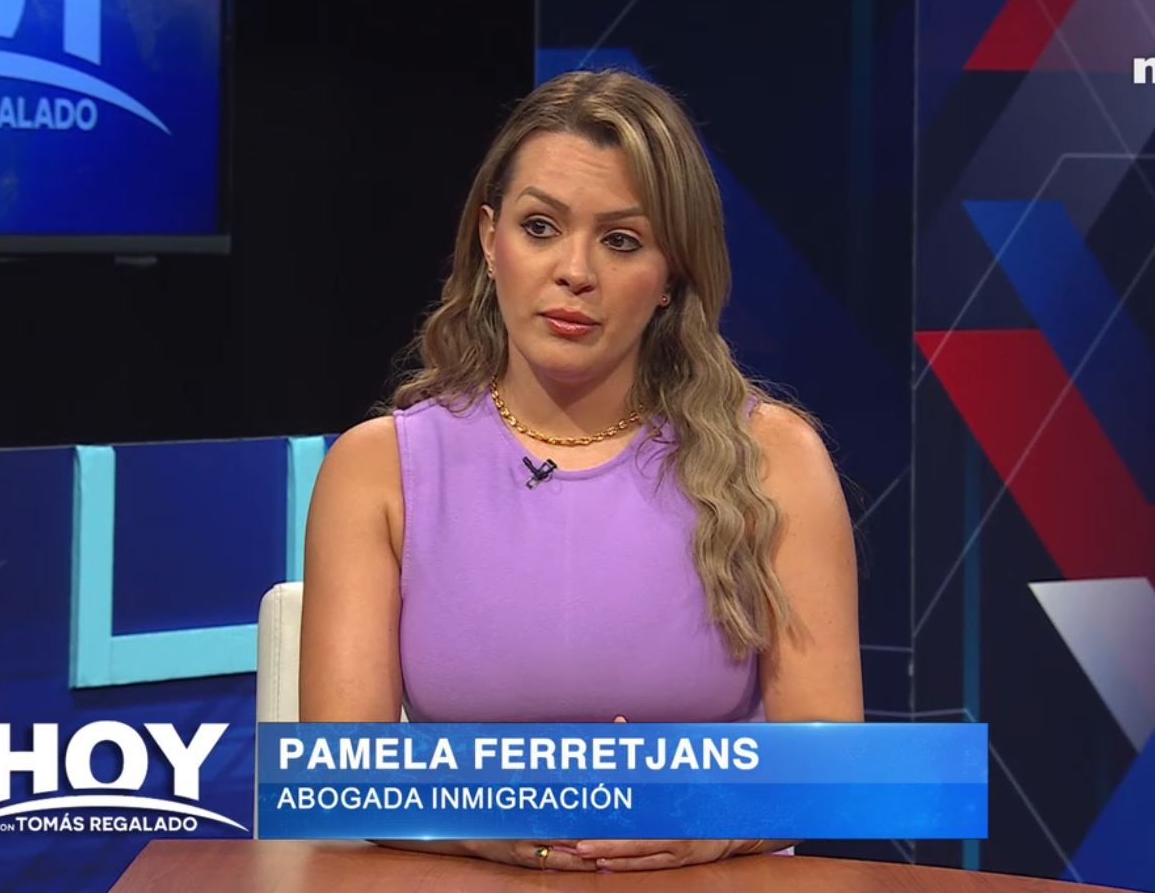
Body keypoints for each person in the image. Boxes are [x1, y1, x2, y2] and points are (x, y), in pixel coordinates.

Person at [297, 68, 863, 872]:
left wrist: (709, 823)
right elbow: (336, 776)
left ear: (670, 276)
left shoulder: (774, 461)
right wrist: (481, 821)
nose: (575, 272)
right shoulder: (377, 468)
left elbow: (832, 766)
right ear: (489, 240)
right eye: (539, 227)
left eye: (621, 241)